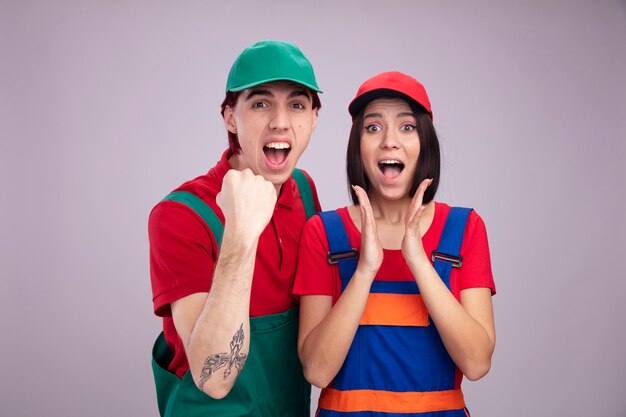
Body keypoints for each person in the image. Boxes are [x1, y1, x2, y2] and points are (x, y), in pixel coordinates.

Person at [294, 71, 496, 416]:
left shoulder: (464, 229)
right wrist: (365, 271)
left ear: (425, 143)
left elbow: (476, 363)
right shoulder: (323, 233)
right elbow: (316, 370)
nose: (389, 141)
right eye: (373, 128)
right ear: (358, 146)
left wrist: (418, 261)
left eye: (407, 127)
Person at [149, 40, 322, 417]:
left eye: (296, 104)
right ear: (230, 117)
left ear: (313, 119)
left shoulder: (305, 193)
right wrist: (241, 232)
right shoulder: (180, 215)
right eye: (261, 103)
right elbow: (213, 379)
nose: (280, 121)